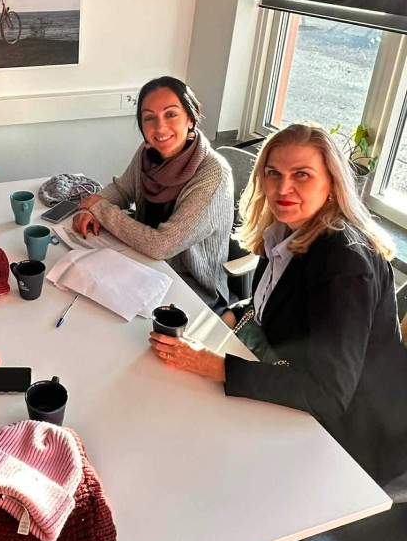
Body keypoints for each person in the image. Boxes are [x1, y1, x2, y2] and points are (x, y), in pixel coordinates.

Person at [149, 122, 407, 488]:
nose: (283, 188)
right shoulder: (285, 232)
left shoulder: (346, 265)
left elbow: (328, 395)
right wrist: (229, 316)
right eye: (274, 173)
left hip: (354, 436)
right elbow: (277, 305)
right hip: (295, 384)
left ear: (332, 185)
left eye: (302, 175)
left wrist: (213, 365)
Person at [72, 76, 233, 308]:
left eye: (171, 114)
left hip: (190, 289)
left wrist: (100, 208)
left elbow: (162, 245)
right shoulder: (148, 152)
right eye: (149, 117)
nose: (159, 128)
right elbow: (122, 189)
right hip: (142, 265)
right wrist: (91, 209)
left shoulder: (213, 174)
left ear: (191, 117)